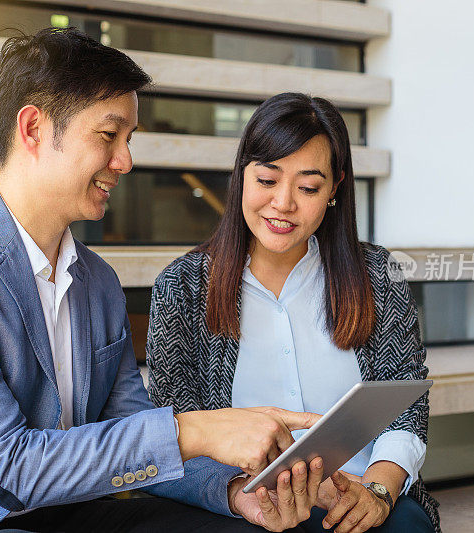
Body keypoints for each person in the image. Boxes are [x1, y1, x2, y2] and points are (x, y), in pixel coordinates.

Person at [0, 30, 325, 533]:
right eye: (109, 135)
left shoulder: (97, 282)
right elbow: (12, 467)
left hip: (67, 516)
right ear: (33, 129)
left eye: (128, 140)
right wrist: (194, 429)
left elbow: (129, 433)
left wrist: (233, 493)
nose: (125, 161)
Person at [146, 93, 441, 533]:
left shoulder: (377, 276)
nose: (283, 204)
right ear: (241, 177)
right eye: (267, 180)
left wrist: (378, 492)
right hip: (247, 504)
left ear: (334, 190)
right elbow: (174, 433)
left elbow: (405, 405)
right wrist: (239, 494)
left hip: (359, 490)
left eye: (307, 187)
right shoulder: (184, 288)